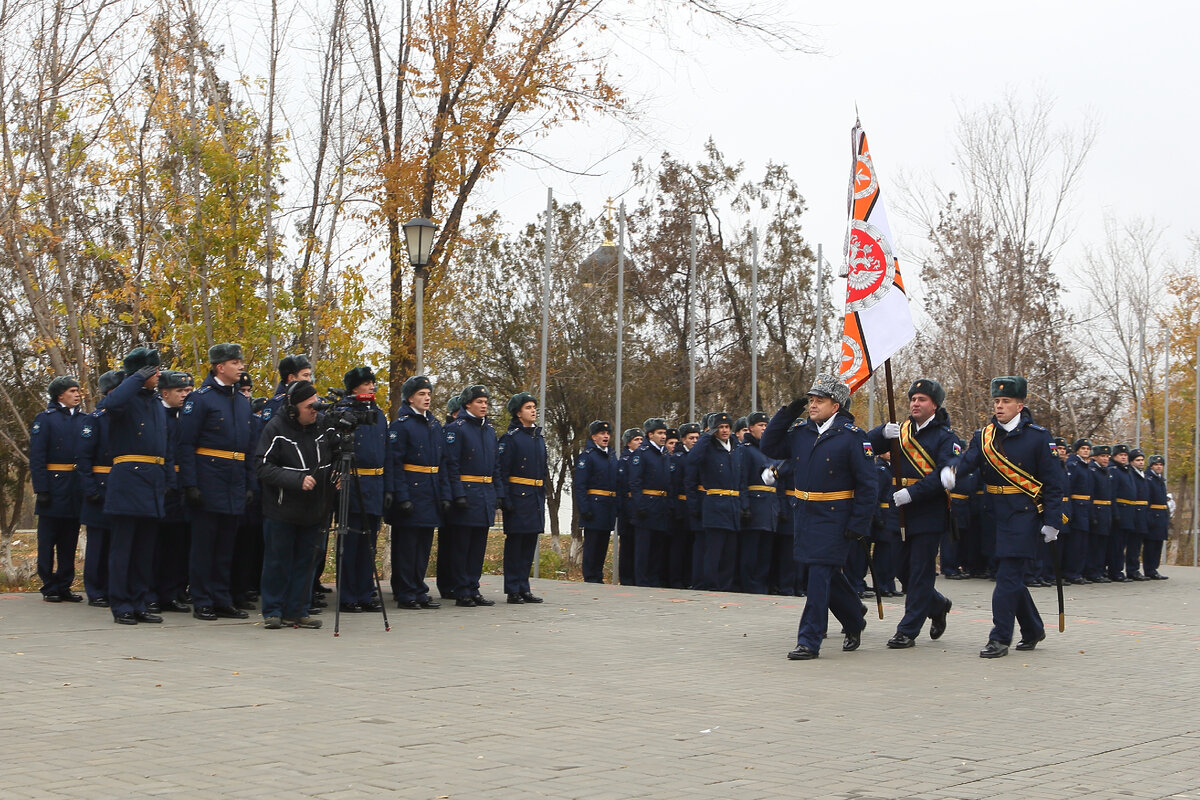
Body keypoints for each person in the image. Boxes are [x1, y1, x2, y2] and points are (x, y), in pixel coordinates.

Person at [942, 376, 1066, 658]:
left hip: (1023, 515)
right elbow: (968, 460)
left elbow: (1054, 483)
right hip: (993, 515)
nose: (999, 406)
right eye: (997, 401)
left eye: (1006, 401)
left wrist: (1053, 521)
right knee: (1009, 577)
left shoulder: (1038, 437)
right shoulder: (984, 436)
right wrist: (951, 470)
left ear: (1020, 405)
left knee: (1007, 578)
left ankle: (999, 637)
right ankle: (1033, 628)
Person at [761, 374, 875, 660]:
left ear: (835, 405)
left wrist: (858, 523)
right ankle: (853, 619)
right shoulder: (802, 432)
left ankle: (809, 640)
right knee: (824, 576)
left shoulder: (852, 437)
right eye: (811, 400)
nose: (812, 405)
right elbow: (769, 446)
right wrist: (789, 411)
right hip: (806, 514)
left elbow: (867, 485)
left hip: (836, 517)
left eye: (818, 401)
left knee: (819, 575)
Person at [869, 378, 956, 649]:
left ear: (935, 405)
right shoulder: (901, 430)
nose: (915, 404)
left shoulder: (945, 437)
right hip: (899, 509)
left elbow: (944, 475)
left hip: (927, 510)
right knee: (900, 569)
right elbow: (865, 446)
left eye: (922, 400)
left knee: (920, 571)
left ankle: (908, 629)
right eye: (913, 399)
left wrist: (913, 493)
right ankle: (937, 604)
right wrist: (882, 432)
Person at [177, 343, 253, 621]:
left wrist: (249, 485)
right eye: (235, 362)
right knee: (205, 545)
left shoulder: (242, 401)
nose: (240, 366)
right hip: (208, 479)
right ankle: (202, 599)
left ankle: (222, 597)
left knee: (226, 545)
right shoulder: (200, 399)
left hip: (234, 480)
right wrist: (190, 484)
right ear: (220, 367)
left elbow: (248, 447)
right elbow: (186, 444)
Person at [101, 347, 173, 625]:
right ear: (141, 373)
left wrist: (166, 478)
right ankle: (121, 604)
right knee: (124, 549)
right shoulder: (124, 399)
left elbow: (164, 444)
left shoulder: (154, 402)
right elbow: (111, 403)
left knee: (145, 550)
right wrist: (133, 378)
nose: (159, 375)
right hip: (128, 480)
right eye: (153, 370)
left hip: (152, 480)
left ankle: (140, 601)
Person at [255, 380, 335, 629]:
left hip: (315, 509)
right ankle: (273, 611)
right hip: (282, 509)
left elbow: (332, 457)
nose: (315, 410)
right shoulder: (275, 428)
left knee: (307, 561)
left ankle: (298, 609)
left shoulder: (322, 426)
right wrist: (296, 479)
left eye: (317, 405)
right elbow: (262, 466)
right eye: (310, 406)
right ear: (293, 409)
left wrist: (337, 476)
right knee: (278, 561)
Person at [386, 374, 450, 609]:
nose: (427, 398)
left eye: (429, 394)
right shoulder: (401, 425)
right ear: (410, 398)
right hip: (411, 491)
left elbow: (442, 462)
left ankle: (418, 589)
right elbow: (396, 463)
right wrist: (401, 496)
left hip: (430, 491)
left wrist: (444, 495)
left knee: (423, 545)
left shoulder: (434, 425)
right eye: (421, 394)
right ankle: (405, 592)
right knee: (406, 546)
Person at [443, 385, 500, 606]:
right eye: (479, 402)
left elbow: (495, 466)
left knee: (478, 547)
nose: (484, 405)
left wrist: (497, 494)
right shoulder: (457, 428)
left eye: (486, 402)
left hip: (485, 494)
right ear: (467, 404)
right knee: (461, 547)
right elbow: (452, 465)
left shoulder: (490, 431)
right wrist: (457, 494)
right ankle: (461, 590)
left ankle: (473, 587)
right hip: (466, 493)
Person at [30, 374, 86, 602]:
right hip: (53, 487)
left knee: (69, 540)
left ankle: (64, 584)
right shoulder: (45, 419)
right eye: (72, 391)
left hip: (75, 487)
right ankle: (49, 585)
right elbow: (37, 456)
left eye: (77, 391)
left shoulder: (84, 420)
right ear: (60, 395)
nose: (77, 395)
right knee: (47, 540)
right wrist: (41, 488)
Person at [76, 370, 125, 607]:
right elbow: (83, 459)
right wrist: (90, 489)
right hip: (100, 487)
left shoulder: (127, 418)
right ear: (110, 393)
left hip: (122, 487)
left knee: (118, 542)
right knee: (98, 543)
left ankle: (113, 586)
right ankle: (95, 589)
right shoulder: (94, 420)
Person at [686, 411, 748, 592]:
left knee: (730, 551)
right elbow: (693, 459)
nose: (724, 431)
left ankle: (726, 584)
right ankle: (711, 584)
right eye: (720, 427)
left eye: (727, 427)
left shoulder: (736, 448)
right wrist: (707, 436)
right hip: (715, 504)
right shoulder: (708, 448)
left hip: (733, 505)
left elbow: (742, 480)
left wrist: (744, 506)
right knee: (715, 550)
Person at [499, 392, 548, 604]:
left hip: (535, 497)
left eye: (534, 407)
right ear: (518, 413)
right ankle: (512, 588)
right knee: (516, 544)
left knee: (529, 543)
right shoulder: (510, 439)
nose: (533, 411)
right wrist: (505, 499)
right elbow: (502, 471)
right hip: (518, 497)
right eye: (528, 407)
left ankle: (524, 586)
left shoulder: (538, 438)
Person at [153, 370, 194, 613]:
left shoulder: (187, 416)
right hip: (164, 484)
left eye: (188, 391)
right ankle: (154, 592)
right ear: (165, 392)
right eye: (180, 391)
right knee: (160, 544)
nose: (185, 395)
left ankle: (173, 591)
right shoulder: (157, 414)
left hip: (182, 484)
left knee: (179, 544)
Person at [629, 418, 672, 587]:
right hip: (647, 505)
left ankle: (654, 579)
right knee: (644, 547)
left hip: (661, 505)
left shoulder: (664, 454)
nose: (663, 436)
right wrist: (640, 505)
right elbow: (635, 482)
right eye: (660, 433)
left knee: (658, 547)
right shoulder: (642, 454)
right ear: (650, 434)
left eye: (664, 433)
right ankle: (642, 580)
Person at [573, 420, 617, 584]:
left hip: (608, 507)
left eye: (607, 433)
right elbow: (580, 485)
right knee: (592, 544)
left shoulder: (612, 456)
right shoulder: (588, 456)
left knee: (603, 543)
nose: (605, 436)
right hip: (594, 505)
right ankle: (590, 576)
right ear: (594, 437)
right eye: (601, 434)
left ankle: (598, 575)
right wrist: (584, 508)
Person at [739, 411, 778, 594]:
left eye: (766, 425)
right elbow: (742, 480)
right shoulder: (746, 450)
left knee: (766, 552)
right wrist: (745, 507)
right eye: (760, 425)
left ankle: (761, 584)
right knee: (751, 551)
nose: (764, 428)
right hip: (755, 507)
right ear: (751, 428)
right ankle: (749, 584)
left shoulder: (769, 449)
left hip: (769, 507)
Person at [669, 422, 701, 590]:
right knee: (679, 547)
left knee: (691, 546)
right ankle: (676, 579)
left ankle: (689, 578)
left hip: (694, 506)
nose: (695, 440)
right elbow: (673, 486)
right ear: (683, 440)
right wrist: (675, 508)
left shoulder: (698, 456)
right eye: (691, 438)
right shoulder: (678, 458)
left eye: (697, 437)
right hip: (681, 505)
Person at [1063, 439, 1093, 584]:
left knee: (1082, 543)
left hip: (1085, 507)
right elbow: (1070, 488)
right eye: (1083, 448)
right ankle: (1071, 572)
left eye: (1088, 448)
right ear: (1077, 450)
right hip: (1076, 506)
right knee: (1075, 544)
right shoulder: (1073, 465)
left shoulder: (1085, 466)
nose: (1086, 451)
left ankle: (1078, 572)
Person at [615, 428, 643, 585]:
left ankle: (635, 577)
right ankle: (626, 578)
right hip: (627, 507)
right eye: (636, 440)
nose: (640, 442)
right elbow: (621, 487)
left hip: (638, 507)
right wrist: (621, 509)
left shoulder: (641, 458)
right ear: (628, 443)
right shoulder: (624, 461)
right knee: (626, 545)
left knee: (637, 544)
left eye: (641, 439)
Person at [1084, 445, 1114, 583]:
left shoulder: (1105, 471)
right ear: (1095, 457)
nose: (1106, 459)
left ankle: (1099, 570)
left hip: (1105, 511)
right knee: (1094, 545)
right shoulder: (1092, 471)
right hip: (1096, 509)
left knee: (1102, 544)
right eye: (1103, 456)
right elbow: (1090, 493)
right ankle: (1092, 571)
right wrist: (1093, 515)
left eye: (1107, 456)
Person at [1107, 444, 1135, 582]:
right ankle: (1115, 571)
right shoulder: (1114, 470)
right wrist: (1115, 513)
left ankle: (1118, 570)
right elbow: (1112, 494)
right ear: (1114, 456)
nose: (1123, 457)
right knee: (1116, 545)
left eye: (1125, 455)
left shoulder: (1126, 470)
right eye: (1120, 455)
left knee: (1122, 544)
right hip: (1119, 509)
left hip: (1128, 512)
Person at [1144, 455, 1170, 580]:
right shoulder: (1149, 479)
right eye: (1156, 465)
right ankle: (1149, 569)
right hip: (1153, 514)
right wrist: (1149, 517)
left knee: (1158, 543)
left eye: (1160, 465)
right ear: (1151, 466)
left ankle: (1154, 568)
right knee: (1151, 544)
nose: (1159, 467)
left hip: (1161, 515)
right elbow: (1147, 499)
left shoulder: (1159, 480)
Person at [1127, 449, 1150, 580]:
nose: (1141, 462)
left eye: (1142, 460)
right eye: (1138, 460)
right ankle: (1131, 569)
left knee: (1137, 544)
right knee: (1132, 543)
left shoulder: (1143, 475)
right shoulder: (1131, 474)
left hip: (1143, 512)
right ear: (1132, 462)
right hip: (1134, 511)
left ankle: (1134, 568)